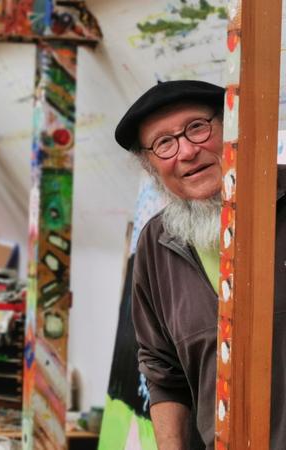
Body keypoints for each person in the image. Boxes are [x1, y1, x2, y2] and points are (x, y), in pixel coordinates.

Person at [114, 80, 286, 449]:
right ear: (152, 166)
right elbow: (163, 372)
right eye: (164, 143)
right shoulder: (156, 246)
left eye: (197, 127)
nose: (187, 151)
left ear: (231, 129)